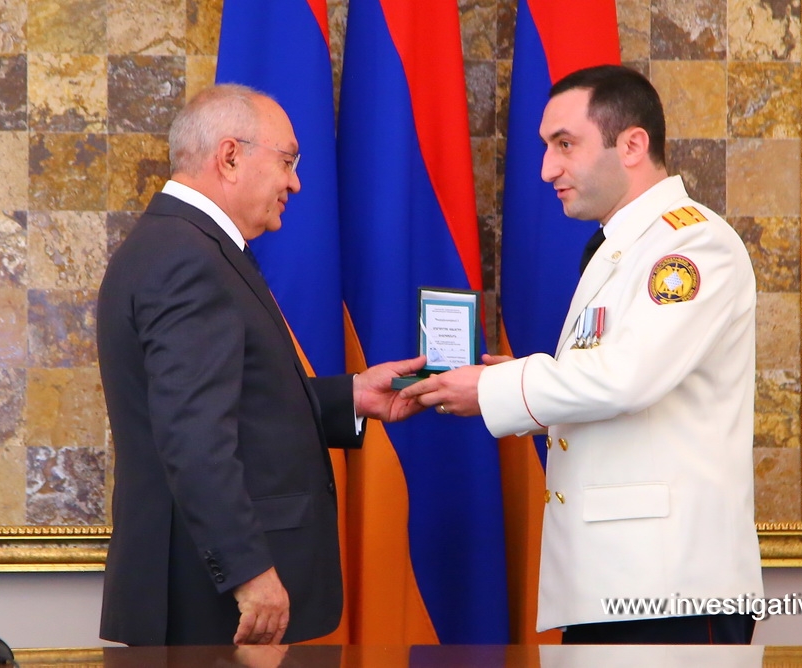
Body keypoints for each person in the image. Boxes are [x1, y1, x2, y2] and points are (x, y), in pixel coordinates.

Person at [402, 65, 764, 644]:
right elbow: (615, 376)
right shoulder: (622, 246)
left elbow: (626, 378)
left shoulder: (692, 242)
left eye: (565, 144)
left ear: (633, 145)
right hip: (617, 580)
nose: (547, 169)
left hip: (670, 587)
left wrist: (496, 389)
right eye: (547, 147)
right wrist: (516, 380)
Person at [96, 84, 426, 647]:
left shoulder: (182, 244)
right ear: (229, 157)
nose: (295, 183)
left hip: (198, 593)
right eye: (287, 161)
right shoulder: (187, 258)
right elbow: (194, 437)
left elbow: (232, 401)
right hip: (209, 604)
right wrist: (248, 572)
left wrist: (349, 398)